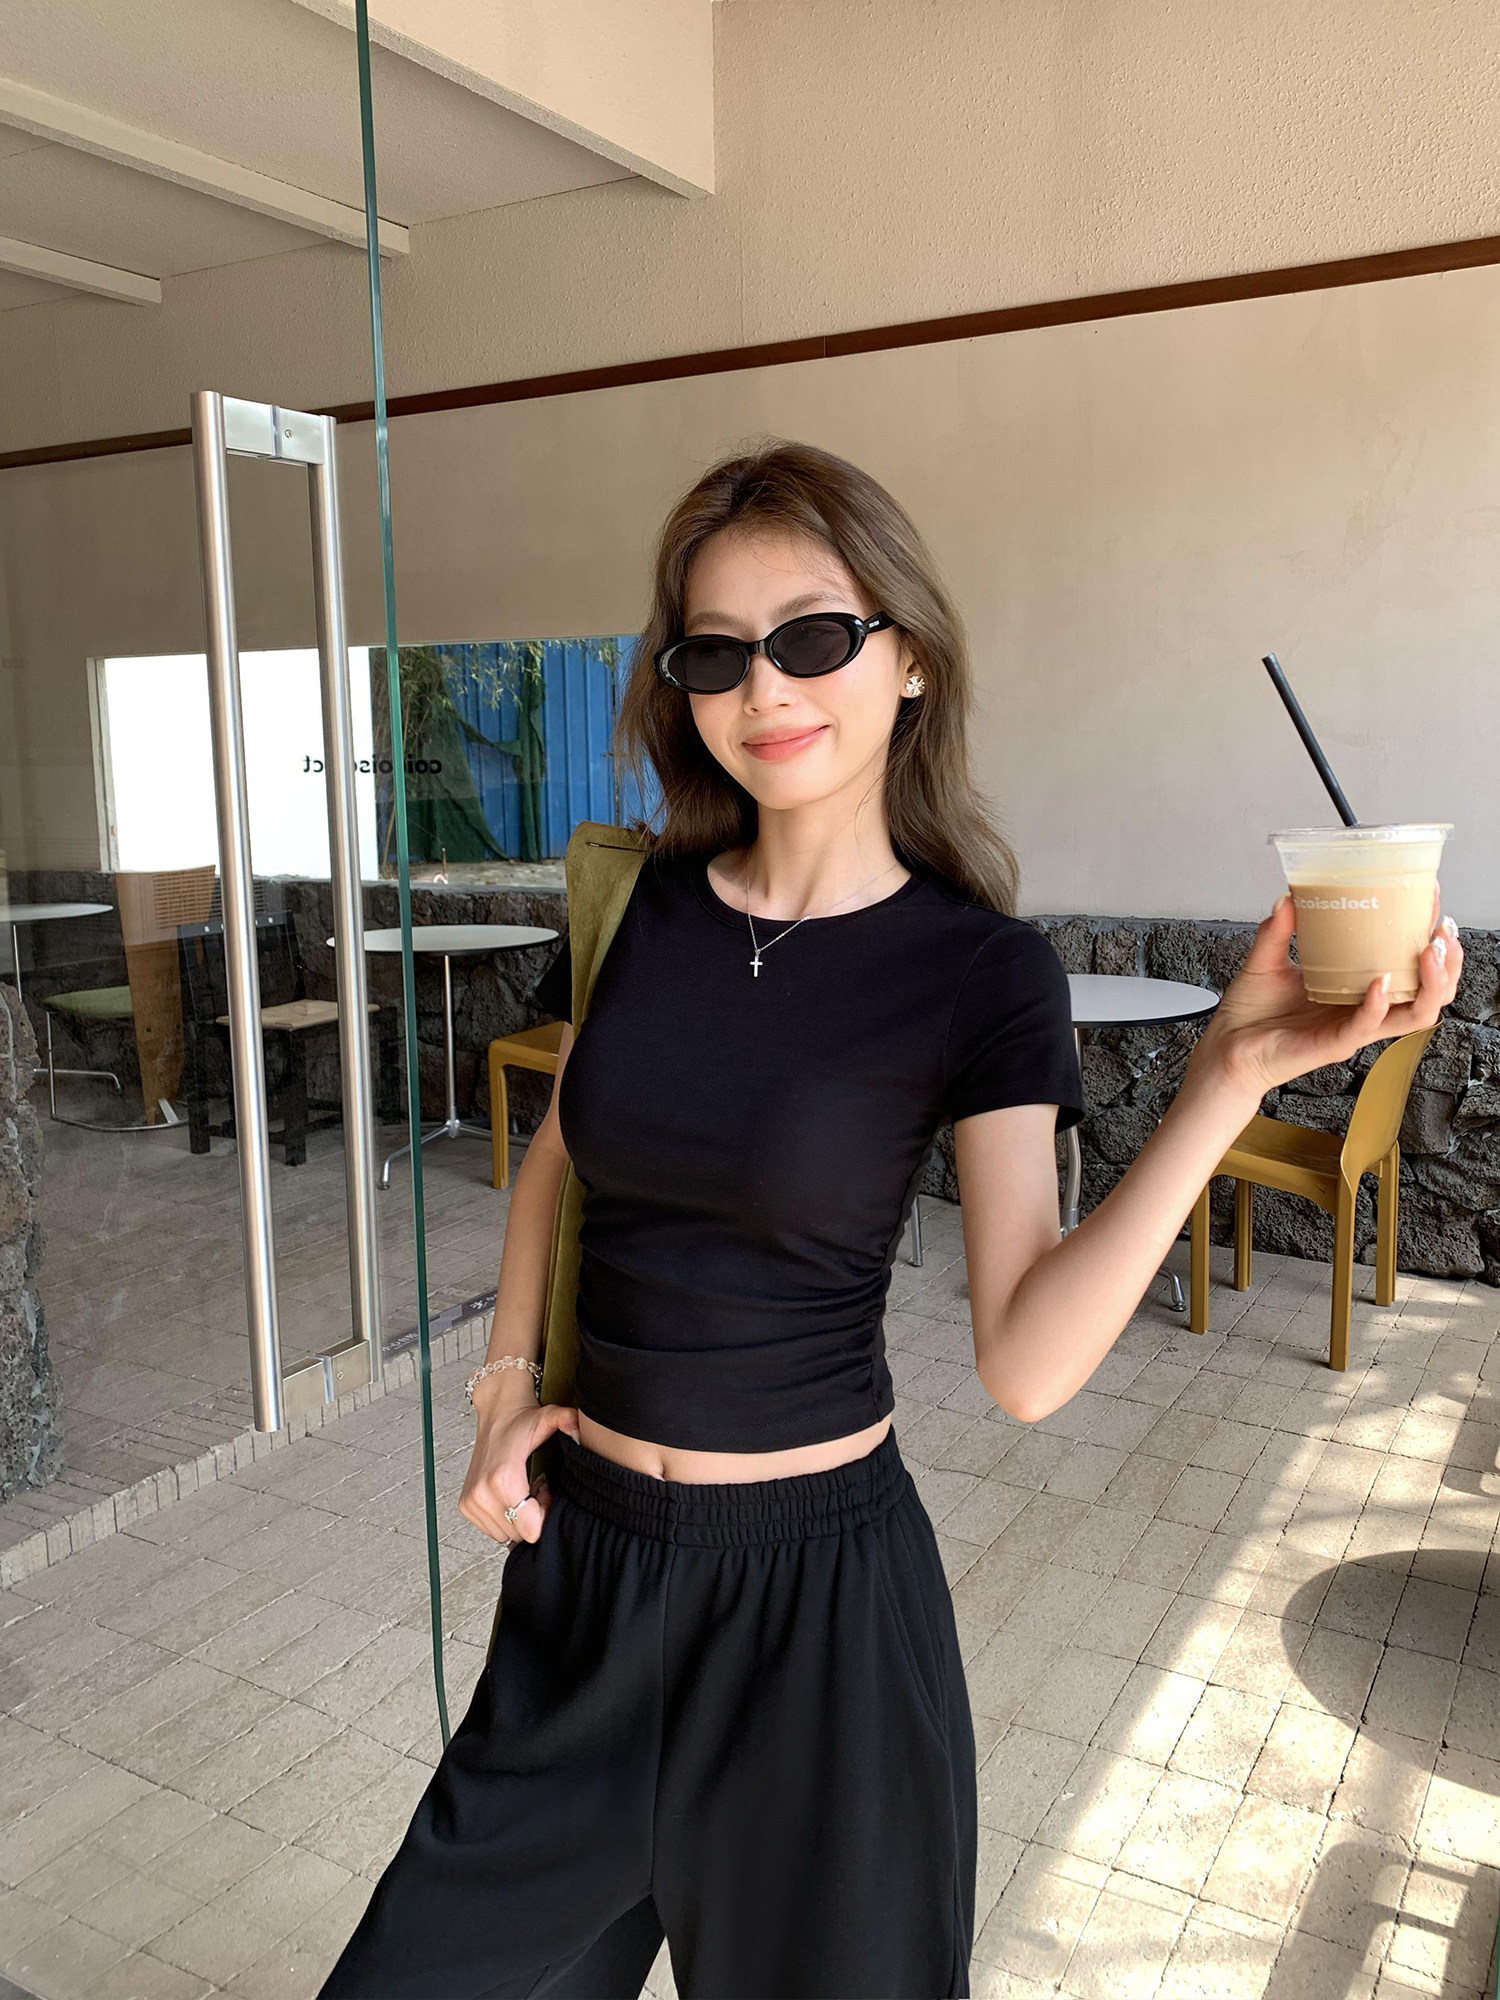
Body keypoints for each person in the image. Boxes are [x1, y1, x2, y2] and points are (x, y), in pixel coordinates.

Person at [319, 442, 1461, 2000]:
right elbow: (558, 1157)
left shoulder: (980, 973)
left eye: (812, 636)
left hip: (819, 1631)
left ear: (909, 655)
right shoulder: (650, 906)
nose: (765, 688)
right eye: (717, 652)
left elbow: (1026, 1363)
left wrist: (1226, 1080)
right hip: (585, 1590)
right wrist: (505, 1383)